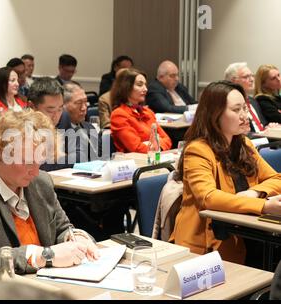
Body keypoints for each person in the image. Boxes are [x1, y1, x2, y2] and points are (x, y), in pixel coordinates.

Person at [0, 109, 99, 293]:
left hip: (38, 287)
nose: (35, 171)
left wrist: (77, 239)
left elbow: (62, 228)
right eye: (28, 161)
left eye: (40, 161)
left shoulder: (41, 182)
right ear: (0, 152)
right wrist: (46, 255)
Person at [171, 81, 281, 265]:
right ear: (215, 115)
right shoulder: (198, 150)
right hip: (208, 245)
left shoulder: (243, 144)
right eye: (236, 110)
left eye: (244, 109)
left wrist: (255, 192)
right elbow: (208, 198)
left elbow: (276, 178)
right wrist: (263, 206)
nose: (244, 116)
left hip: (245, 233)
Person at [110, 68, 172, 153]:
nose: (145, 89)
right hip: (133, 162)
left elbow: (167, 140)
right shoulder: (119, 115)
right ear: (126, 87)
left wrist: (153, 146)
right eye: (139, 85)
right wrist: (157, 144)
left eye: (145, 85)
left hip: (153, 158)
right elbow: (136, 147)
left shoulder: (148, 112)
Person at [224, 62, 274, 133]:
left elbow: (262, 125)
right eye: (246, 77)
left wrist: (270, 127)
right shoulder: (230, 104)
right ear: (233, 81)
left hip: (264, 139)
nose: (252, 79)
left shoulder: (253, 101)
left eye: (252, 75)